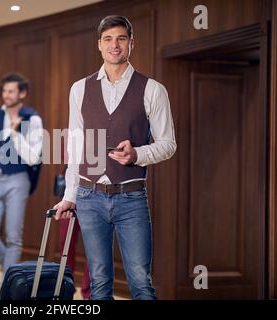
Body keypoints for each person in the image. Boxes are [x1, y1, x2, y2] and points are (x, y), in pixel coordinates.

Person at [53, 15, 177, 300]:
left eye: (121, 38)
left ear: (131, 43)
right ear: (99, 45)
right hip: (89, 197)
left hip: (131, 199)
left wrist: (138, 153)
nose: (115, 45)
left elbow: (168, 144)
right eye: (108, 39)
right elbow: (76, 145)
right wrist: (70, 195)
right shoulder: (79, 88)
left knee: (140, 282)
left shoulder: (152, 90)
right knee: (98, 283)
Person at [0, 73, 43, 273]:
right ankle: (12, 269)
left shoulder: (33, 119)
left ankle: (7, 288)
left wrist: (15, 135)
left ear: (22, 93)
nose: (6, 95)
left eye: (11, 91)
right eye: (4, 90)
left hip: (19, 179)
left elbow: (33, 158)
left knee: (14, 238)